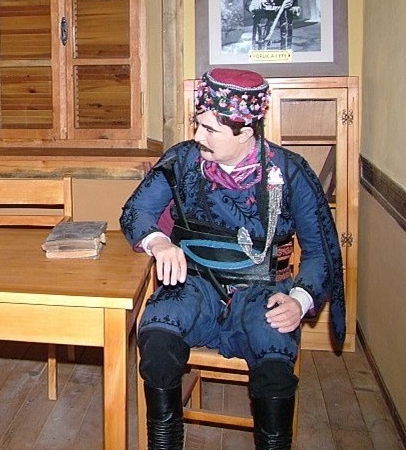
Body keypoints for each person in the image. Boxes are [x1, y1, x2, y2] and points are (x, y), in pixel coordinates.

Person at [120, 68, 345, 450]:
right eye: (197, 124)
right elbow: (136, 211)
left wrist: (300, 299)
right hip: (193, 283)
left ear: (246, 131)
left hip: (263, 289)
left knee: (274, 356)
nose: (197, 136)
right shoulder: (181, 160)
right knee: (157, 337)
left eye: (210, 129)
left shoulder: (290, 172)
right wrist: (159, 241)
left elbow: (320, 248)